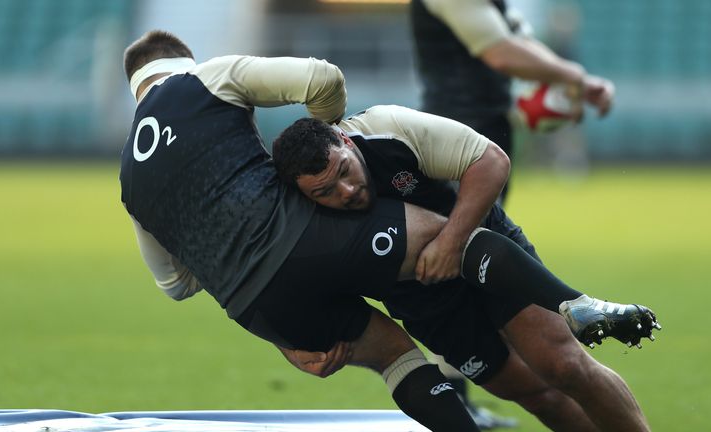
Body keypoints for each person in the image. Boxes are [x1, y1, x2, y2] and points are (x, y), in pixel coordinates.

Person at [120, 30, 482, 432]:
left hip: (260, 308)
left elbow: (176, 284)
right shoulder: (205, 79)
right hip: (307, 233)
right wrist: (328, 146)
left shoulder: (129, 179)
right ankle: (557, 302)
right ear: (184, 61)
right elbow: (322, 79)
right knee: (449, 233)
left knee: (394, 356)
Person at [271, 106, 660, 431]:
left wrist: (449, 243)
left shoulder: (388, 129)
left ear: (346, 141)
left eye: (344, 171)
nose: (347, 191)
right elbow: (266, 276)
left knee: (563, 365)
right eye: (324, 192)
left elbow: (491, 161)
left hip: (486, 250)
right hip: (420, 299)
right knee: (533, 393)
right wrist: (291, 346)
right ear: (303, 195)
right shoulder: (293, 212)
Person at [409, 0, 615, 204]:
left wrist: (578, 81)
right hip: (454, 136)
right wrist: (573, 75)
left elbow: (519, 42)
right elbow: (501, 52)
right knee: (467, 231)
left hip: (484, 130)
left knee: (478, 227)